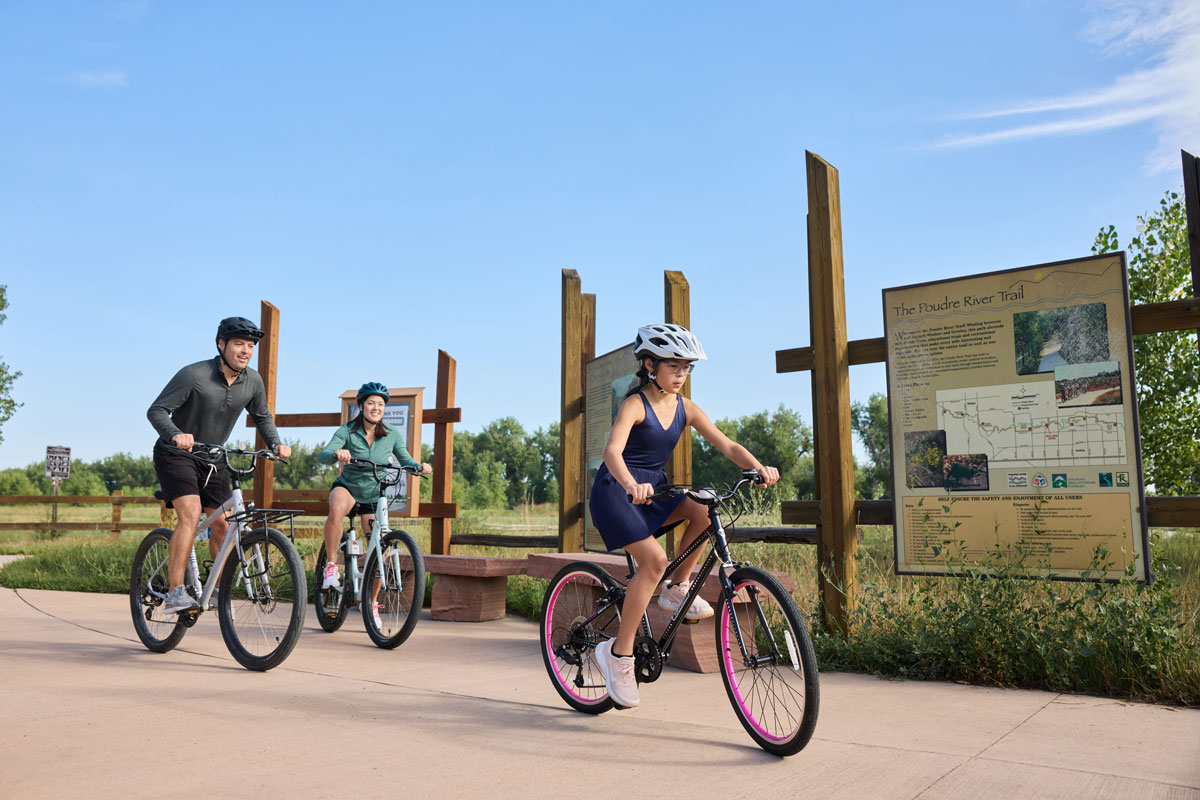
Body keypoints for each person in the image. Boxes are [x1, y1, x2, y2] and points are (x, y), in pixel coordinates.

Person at [588, 323, 779, 709]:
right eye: (674, 366)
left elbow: (727, 443)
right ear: (649, 364)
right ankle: (618, 655)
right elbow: (612, 452)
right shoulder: (635, 404)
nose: (681, 375)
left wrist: (759, 467)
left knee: (706, 513)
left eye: (686, 367)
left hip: (655, 490)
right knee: (653, 560)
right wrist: (628, 483)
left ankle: (677, 588)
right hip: (617, 492)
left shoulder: (686, 409)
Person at [147, 317, 292, 614]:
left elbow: (262, 415)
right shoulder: (193, 375)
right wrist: (176, 434)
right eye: (239, 344)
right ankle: (176, 592)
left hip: (214, 458)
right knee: (190, 514)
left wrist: (275, 443)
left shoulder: (252, 380)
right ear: (221, 344)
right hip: (177, 454)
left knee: (225, 525)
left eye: (250, 346)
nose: (246, 351)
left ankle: (214, 589)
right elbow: (157, 410)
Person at [316, 382, 431, 627]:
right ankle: (332, 567)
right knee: (336, 508)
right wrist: (338, 453)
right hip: (348, 488)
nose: (376, 408)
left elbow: (406, 459)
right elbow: (323, 455)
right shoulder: (347, 431)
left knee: (380, 548)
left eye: (380, 404)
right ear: (361, 406)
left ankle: (371, 602)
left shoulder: (391, 434)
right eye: (371, 403)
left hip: (373, 494)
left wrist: (418, 466)